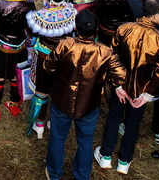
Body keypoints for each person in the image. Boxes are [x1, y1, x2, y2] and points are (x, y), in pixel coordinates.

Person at [95, 0, 159, 175]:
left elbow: (111, 59)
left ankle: (105, 155)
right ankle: (124, 161)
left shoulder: (123, 29)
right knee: (132, 124)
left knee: (114, 118)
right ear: (155, 16)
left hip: (120, 87)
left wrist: (117, 87)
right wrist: (147, 95)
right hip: (141, 91)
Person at [44, 10, 126, 180]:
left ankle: (53, 173)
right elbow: (121, 75)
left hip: (63, 100)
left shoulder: (65, 45)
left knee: (58, 138)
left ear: (76, 27)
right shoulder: (105, 52)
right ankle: (81, 176)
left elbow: (48, 66)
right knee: (85, 142)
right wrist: (105, 83)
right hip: (89, 103)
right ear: (97, 30)